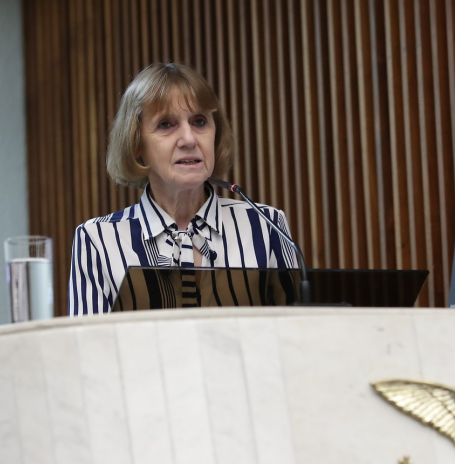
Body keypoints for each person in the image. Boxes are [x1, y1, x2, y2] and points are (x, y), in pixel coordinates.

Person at [68, 63, 297, 315]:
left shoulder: (266, 225)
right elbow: (87, 351)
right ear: (136, 143)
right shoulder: (98, 239)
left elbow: (298, 339)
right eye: (166, 124)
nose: (189, 139)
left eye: (199, 122)